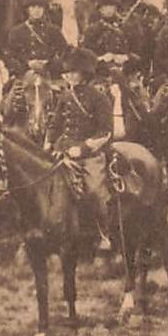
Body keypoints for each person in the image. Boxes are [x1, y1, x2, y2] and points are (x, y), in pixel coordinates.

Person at [47, 47, 116, 235]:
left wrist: (83, 149)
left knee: (95, 191)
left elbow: (105, 132)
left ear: (84, 74)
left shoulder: (99, 98)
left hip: (90, 155)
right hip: (64, 150)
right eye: (66, 72)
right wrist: (48, 142)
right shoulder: (64, 96)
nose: (68, 76)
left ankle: (105, 233)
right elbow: (55, 124)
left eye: (73, 72)